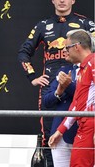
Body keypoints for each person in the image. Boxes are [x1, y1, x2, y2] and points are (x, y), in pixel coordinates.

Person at [17, 0, 95, 166]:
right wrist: (32, 76)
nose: (62, 1)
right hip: (53, 87)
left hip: (82, 83)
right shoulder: (43, 25)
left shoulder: (85, 24)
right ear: (52, 0)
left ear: (72, 0)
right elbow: (23, 52)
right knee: (50, 137)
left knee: (83, 132)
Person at [48, 29, 95, 167]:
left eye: (67, 47)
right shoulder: (82, 68)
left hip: (91, 124)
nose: (64, 51)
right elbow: (77, 104)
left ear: (76, 47)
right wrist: (60, 130)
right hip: (84, 125)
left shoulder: (93, 63)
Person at [43, 60, 79, 167]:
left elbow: (84, 97)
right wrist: (59, 91)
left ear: (78, 46)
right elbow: (47, 101)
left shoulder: (90, 69)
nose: (64, 51)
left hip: (84, 131)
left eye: (67, 47)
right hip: (59, 135)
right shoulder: (64, 70)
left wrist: (68, 86)